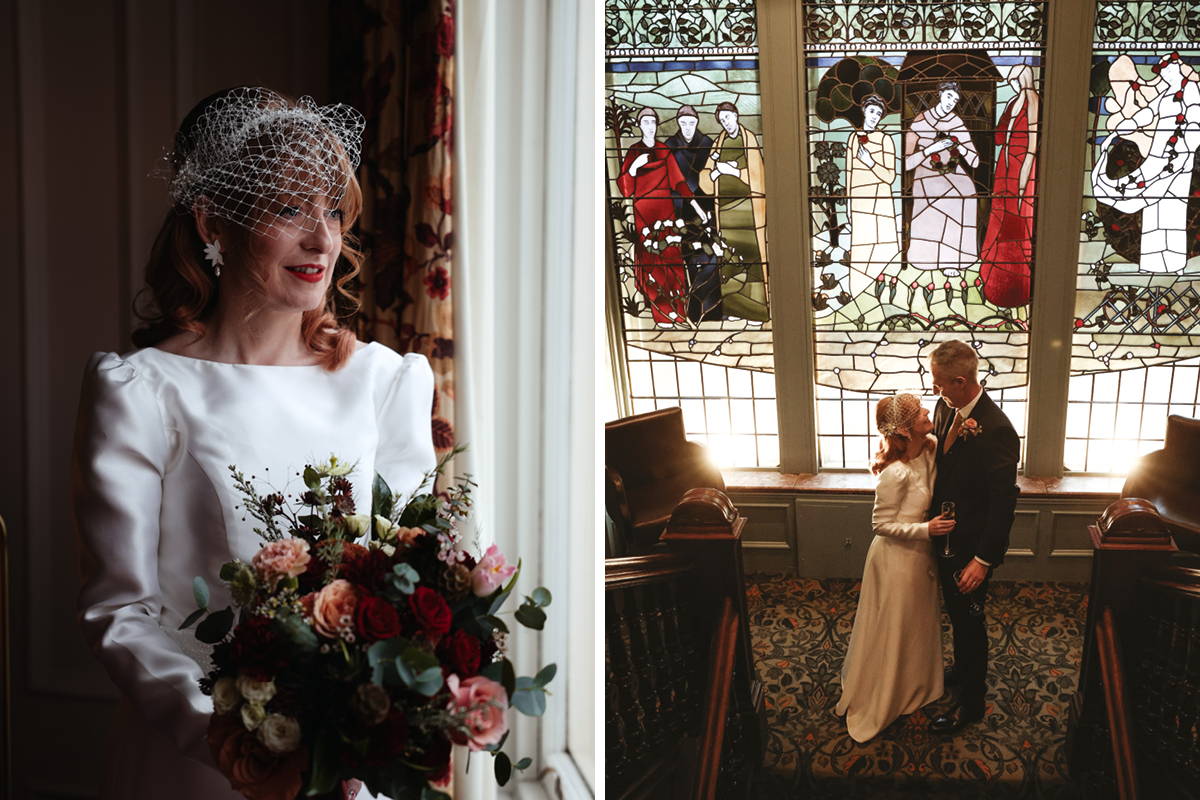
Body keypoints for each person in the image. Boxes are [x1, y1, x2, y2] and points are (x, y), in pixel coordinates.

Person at [71, 87, 436, 800]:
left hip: (349, 771)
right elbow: (122, 613)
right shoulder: (141, 391)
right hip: (196, 766)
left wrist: (362, 736)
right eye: (289, 209)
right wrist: (243, 749)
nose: (323, 238)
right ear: (215, 222)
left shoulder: (385, 384)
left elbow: (406, 585)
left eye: (333, 210)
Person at [837, 394, 955, 742]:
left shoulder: (930, 448)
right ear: (904, 428)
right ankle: (888, 691)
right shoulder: (895, 473)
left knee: (918, 621)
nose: (926, 411)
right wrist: (926, 530)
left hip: (920, 558)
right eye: (919, 411)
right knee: (896, 623)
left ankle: (918, 684)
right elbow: (880, 525)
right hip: (895, 559)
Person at [925, 339, 1020, 734]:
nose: (934, 389)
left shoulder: (997, 430)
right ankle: (962, 668)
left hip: (970, 550)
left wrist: (982, 561)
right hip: (944, 540)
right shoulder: (944, 409)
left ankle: (973, 702)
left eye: (939, 382)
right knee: (957, 617)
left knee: (970, 623)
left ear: (961, 381)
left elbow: (1003, 502)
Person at [1092, 51, 1200, 274]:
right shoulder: (1169, 93)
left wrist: (1186, 146)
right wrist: (1127, 126)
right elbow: (1149, 113)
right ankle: (1152, 262)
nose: (1165, 76)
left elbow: (1196, 120)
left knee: (1174, 206)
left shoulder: (1190, 91)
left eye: (1167, 71)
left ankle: (1175, 262)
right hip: (1161, 153)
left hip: (1181, 155)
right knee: (1154, 205)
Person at [617, 107, 710, 325]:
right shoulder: (633, 152)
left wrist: (696, 206)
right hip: (644, 216)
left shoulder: (663, 149)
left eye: (653, 122)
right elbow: (625, 190)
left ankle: (679, 312)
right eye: (645, 122)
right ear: (639, 125)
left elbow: (678, 182)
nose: (650, 126)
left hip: (666, 214)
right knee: (653, 264)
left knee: (673, 260)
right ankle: (662, 314)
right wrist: (632, 169)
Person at [698, 101, 769, 322]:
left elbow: (759, 177)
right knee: (729, 259)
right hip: (725, 214)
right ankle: (734, 309)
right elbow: (705, 177)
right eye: (721, 120)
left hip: (748, 211)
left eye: (728, 117)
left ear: (736, 115)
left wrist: (735, 172)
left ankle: (757, 310)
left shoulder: (749, 139)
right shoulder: (718, 143)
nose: (725, 122)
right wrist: (713, 175)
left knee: (752, 259)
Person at [904, 81, 981, 276]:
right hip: (926, 173)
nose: (951, 103)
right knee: (944, 195)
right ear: (940, 94)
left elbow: (974, 161)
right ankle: (929, 256)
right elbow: (906, 163)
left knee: (967, 189)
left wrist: (959, 145)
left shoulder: (956, 122)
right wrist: (930, 150)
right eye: (948, 97)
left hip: (952, 171)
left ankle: (954, 259)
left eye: (955, 100)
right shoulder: (920, 121)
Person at [981, 64, 1039, 308]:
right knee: (999, 219)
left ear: (1024, 79)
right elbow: (998, 136)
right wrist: (1007, 114)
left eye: (1015, 80)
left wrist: (1025, 177)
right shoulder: (1014, 102)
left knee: (1018, 224)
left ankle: (1016, 285)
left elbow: (1033, 143)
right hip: (1004, 170)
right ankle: (991, 275)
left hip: (1021, 169)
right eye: (1011, 81)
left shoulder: (1034, 100)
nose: (1013, 85)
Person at [664, 105, 721, 322]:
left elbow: (710, 173)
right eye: (683, 122)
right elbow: (672, 178)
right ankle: (693, 311)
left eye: (691, 122)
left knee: (712, 255)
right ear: (678, 123)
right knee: (689, 257)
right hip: (680, 208)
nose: (688, 127)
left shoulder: (707, 144)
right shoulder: (670, 146)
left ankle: (712, 309)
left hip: (706, 207)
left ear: (697, 123)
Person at [846, 94, 900, 300]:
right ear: (864, 111)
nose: (875, 116)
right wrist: (850, 207)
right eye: (871, 111)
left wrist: (870, 163)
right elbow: (849, 174)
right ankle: (859, 293)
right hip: (860, 201)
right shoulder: (853, 138)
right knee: (861, 248)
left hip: (881, 202)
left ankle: (885, 295)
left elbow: (889, 176)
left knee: (882, 247)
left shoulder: (886, 140)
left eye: (879, 113)